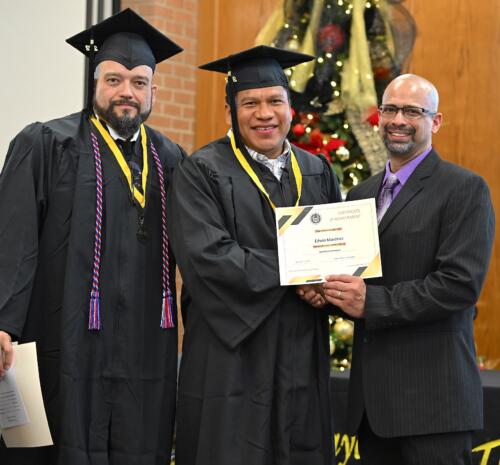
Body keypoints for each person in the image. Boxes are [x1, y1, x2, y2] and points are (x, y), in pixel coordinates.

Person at [0, 9, 185, 465]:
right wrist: (4, 321)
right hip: (64, 340)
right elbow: (14, 239)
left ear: (153, 91)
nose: (127, 92)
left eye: (139, 82)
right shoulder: (47, 143)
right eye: (114, 79)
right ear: (95, 83)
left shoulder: (172, 159)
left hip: (144, 347)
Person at [301, 74, 495, 464]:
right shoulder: (361, 195)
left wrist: (369, 301)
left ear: (435, 122)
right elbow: (361, 288)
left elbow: (458, 285)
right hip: (373, 410)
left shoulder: (464, 189)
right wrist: (326, 294)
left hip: (434, 407)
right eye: (389, 109)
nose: (397, 119)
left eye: (412, 110)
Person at [166, 45, 342, 465]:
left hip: (300, 350)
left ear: (290, 109)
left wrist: (329, 287)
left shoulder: (317, 170)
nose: (264, 113)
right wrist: (301, 273)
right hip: (233, 356)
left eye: (274, 101)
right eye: (250, 103)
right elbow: (209, 258)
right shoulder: (202, 171)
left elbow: (338, 249)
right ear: (231, 113)